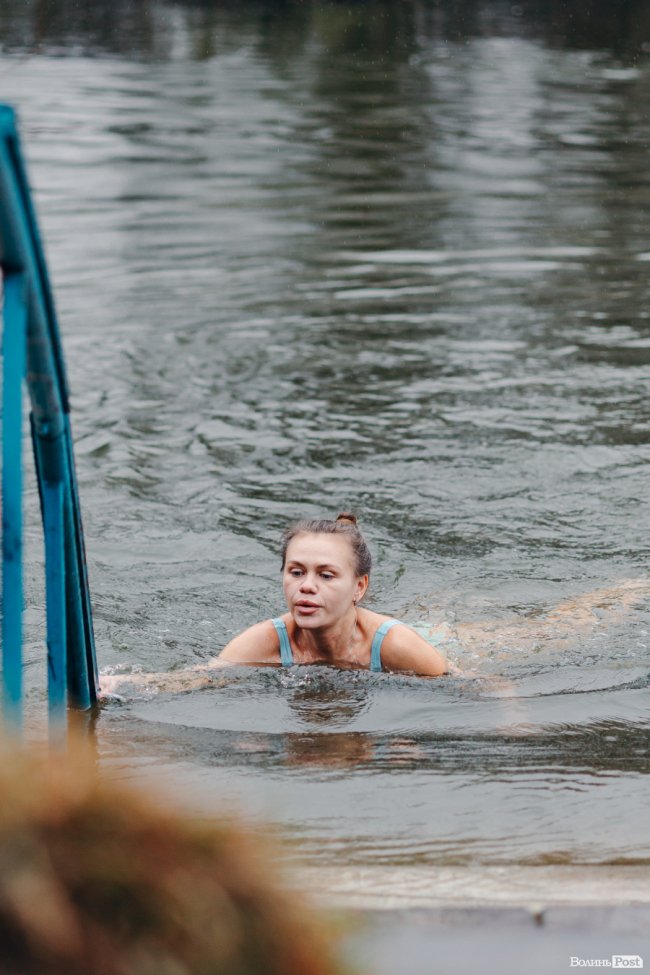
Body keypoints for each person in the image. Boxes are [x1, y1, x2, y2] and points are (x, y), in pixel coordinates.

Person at [217, 513, 452, 677]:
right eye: (296, 572)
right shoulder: (264, 642)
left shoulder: (399, 647)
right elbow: (195, 682)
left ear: (359, 587)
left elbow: (468, 690)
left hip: (434, 639)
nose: (306, 586)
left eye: (326, 575)